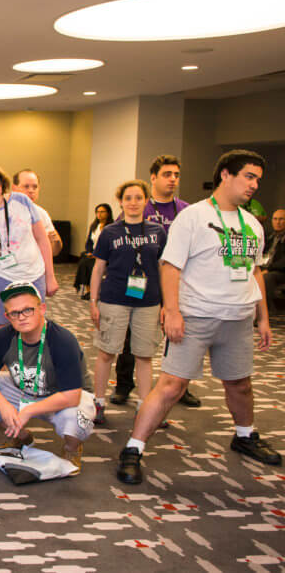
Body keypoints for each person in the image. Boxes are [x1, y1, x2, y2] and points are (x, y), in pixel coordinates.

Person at [117, 150, 281, 485]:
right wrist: (173, 311)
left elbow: (256, 272)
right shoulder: (192, 217)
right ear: (225, 174)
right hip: (196, 316)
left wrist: (262, 317)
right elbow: (170, 267)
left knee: (241, 384)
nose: (254, 185)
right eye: (249, 176)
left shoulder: (251, 224)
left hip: (238, 318)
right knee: (171, 386)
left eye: (257, 180)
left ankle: (245, 435)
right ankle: (133, 448)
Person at [0, 282, 95, 473]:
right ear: (7, 316)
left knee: (77, 416)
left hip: (61, 396)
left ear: (42, 308)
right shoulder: (3, 337)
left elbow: (72, 396)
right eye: (15, 313)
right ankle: (22, 437)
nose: (22, 317)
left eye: (28, 310)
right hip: (25, 390)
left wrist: (29, 411)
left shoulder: (62, 340)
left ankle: (71, 449)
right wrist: (3, 404)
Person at [110, 155, 199, 408]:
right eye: (167, 174)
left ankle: (180, 386)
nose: (172, 179)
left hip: (179, 281)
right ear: (154, 178)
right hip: (141, 282)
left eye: (176, 175)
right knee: (132, 335)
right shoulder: (140, 207)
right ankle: (124, 385)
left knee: (179, 334)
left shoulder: (186, 210)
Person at [89, 180, 166, 426]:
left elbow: (164, 269)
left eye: (138, 198)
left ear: (146, 201)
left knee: (144, 355)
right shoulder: (110, 232)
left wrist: (167, 304)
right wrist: (93, 301)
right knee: (106, 352)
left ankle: (145, 406)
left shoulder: (157, 232)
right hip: (114, 299)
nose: (133, 203)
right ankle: (98, 403)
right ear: (121, 202)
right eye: (128, 198)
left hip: (149, 301)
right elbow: (98, 267)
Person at [0, 163, 58, 336]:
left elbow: (42, 239)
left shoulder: (21, 201)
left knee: (33, 329)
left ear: (2, 184)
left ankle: (28, 364)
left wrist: (50, 276)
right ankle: (0, 363)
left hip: (32, 273)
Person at [12, 169, 62, 257]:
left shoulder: (41, 213)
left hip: (34, 267)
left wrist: (56, 242)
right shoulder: (2, 211)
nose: (31, 191)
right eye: (26, 186)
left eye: (35, 187)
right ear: (14, 188)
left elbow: (53, 252)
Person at [73, 204, 113, 300]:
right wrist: (89, 252)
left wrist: (97, 254)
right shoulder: (94, 226)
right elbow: (89, 242)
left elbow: (109, 244)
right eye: (97, 212)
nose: (99, 214)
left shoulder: (111, 227)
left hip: (104, 255)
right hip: (93, 253)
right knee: (83, 261)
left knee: (89, 263)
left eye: (102, 212)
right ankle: (88, 289)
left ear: (108, 213)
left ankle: (93, 290)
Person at [260, 209, 285, 314]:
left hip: (280, 271)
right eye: (275, 219)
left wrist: (268, 269)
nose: (277, 222)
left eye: (281, 219)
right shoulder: (269, 237)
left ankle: (269, 311)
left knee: (267, 277)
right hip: (266, 267)